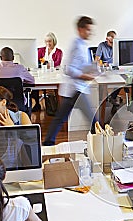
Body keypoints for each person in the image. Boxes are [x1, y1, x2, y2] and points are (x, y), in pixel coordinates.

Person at [43, 16, 97, 146]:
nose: (90, 33)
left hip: (77, 88)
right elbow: (67, 68)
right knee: (92, 119)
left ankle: (48, 143)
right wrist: (84, 76)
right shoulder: (75, 45)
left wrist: (94, 69)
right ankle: (103, 142)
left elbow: (81, 65)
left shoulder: (83, 45)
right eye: (88, 30)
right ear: (80, 29)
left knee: (61, 118)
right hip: (75, 88)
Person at [32, 32, 63, 112]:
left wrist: (46, 63)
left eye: (50, 41)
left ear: (54, 41)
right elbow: (37, 61)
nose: (48, 43)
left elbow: (57, 63)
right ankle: (36, 105)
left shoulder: (59, 52)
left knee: (56, 86)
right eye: (46, 41)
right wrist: (46, 63)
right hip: (42, 72)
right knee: (34, 84)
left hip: (53, 74)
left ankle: (55, 106)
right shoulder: (41, 50)